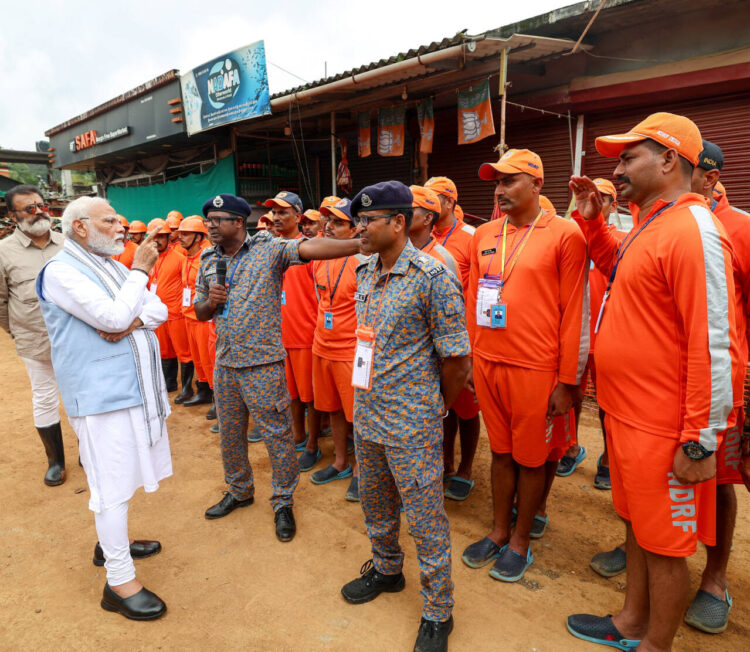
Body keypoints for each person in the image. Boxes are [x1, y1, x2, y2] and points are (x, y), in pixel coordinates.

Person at [566, 113, 739, 651]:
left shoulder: (693, 230)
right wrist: (594, 223)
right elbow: (617, 268)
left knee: (665, 544)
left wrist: (699, 438)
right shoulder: (651, 222)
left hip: (666, 427)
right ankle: (630, 623)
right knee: (639, 527)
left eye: (627, 157)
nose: (616, 170)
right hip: (627, 416)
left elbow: (715, 346)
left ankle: (655, 643)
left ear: (668, 160)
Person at [340, 181, 471, 652]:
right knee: (376, 504)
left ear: (398, 222)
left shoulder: (433, 276)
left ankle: (439, 610)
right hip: (368, 412)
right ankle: (387, 568)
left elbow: (458, 360)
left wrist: (435, 407)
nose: (360, 228)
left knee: (424, 517)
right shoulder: (365, 270)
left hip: (411, 422)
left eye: (368, 220)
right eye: (358, 220)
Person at [195, 193, 362, 542]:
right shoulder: (208, 258)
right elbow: (199, 311)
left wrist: (357, 244)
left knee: (278, 435)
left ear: (238, 223)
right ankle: (239, 490)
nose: (210, 225)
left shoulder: (268, 248)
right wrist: (211, 301)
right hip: (225, 363)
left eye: (217, 219)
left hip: (264, 364)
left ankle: (283, 500)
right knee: (230, 433)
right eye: (208, 219)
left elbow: (307, 249)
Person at [37, 196, 170, 620]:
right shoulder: (60, 271)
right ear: (80, 227)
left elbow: (157, 309)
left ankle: (110, 543)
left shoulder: (113, 266)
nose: (121, 226)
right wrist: (141, 274)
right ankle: (119, 581)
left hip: (132, 390)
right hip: (100, 397)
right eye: (110, 220)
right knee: (110, 487)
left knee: (120, 479)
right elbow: (113, 316)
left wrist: (130, 318)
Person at [461, 149, 588, 582]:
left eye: (510, 181)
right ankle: (498, 531)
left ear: (536, 185)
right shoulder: (484, 235)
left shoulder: (565, 234)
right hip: (489, 363)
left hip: (536, 369)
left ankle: (520, 541)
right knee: (499, 453)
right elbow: (473, 304)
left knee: (532, 459)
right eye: (496, 182)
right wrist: (472, 362)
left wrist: (568, 383)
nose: (499, 190)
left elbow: (574, 312)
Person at [683, 140, 750, 634]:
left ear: (710, 178)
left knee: (720, 479)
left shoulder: (740, 228)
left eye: (690, 173)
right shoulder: (658, 218)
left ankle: (714, 577)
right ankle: (637, 548)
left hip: (719, 386)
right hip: (666, 383)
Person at [559, 178, 623, 487]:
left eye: (604, 198)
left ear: (614, 205)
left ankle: (609, 458)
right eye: (590, 196)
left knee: (607, 407)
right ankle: (571, 447)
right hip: (575, 336)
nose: (597, 202)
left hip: (609, 339)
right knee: (570, 397)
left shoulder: (622, 240)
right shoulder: (571, 238)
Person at [0, 184, 65, 486]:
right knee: (45, 398)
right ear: (13, 216)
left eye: (42, 205)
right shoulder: (3, 252)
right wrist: (19, 332)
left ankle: (89, 452)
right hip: (33, 341)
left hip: (75, 340)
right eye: (30, 208)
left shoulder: (69, 244)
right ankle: (56, 461)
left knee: (82, 395)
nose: (39, 211)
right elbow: (0, 303)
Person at [425, 176, 481, 501]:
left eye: (434, 199)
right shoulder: (422, 236)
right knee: (442, 405)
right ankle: (445, 463)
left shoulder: (471, 237)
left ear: (449, 202)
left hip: (463, 337)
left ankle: (466, 469)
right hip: (434, 341)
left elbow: (476, 295)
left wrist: (472, 345)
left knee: (468, 409)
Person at [310, 198, 365, 498]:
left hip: (350, 351)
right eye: (328, 221)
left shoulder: (364, 261)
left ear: (355, 228)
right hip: (323, 346)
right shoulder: (320, 257)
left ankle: (360, 470)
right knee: (332, 410)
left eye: (338, 222)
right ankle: (340, 461)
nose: (329, 226)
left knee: (356, 416)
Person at [265, 192, 321, 469]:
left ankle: (313, 444)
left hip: (306, 335)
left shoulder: (310, 250)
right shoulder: (269, 249)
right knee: (291, 394)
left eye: (283, 212)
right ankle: (297, 435)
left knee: (310, 396)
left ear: (298, 217)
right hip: (279, 336)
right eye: (274, 213)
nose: (277, 218)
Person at [145, 219, 197, 405]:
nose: (157, 240)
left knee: (184, 351)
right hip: (158, 314)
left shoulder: (180, 259)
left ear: (168, 237)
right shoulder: (149, 259)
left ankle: (187, 387)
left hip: (176, 314)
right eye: (154, 237)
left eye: (161, 237)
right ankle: (169, 382)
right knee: (164, 350)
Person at [175, 217, 213, 409]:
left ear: (199, 237)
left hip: (203, 319)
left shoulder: (207, 257)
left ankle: (217, 399)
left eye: (186, 234)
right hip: (188, 316)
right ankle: (203, 391)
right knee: (198, 360)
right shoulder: (186, 256)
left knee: (209, 360)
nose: (180, 237)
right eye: (180, 233)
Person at [408, 185, 459, 280]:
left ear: (428, 218)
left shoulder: (444, 260)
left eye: (409, 210)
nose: (401, 215)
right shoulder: (393, 252)